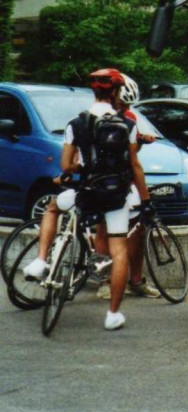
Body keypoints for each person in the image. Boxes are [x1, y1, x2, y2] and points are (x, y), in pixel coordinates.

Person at [23, 68, 151, 331]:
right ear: (115, 93)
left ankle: (41, 260)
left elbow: (66, 164)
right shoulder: (127, 125)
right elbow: (135, 166)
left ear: (94, 91)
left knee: (52, 208)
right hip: (116, 197)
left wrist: (81, 169)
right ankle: (113, 315)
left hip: (85, 195)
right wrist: (146, 199)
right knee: (119, 251)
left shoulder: (76, 124)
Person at [93, 74, 161, 301]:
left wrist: (140, 141)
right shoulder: (98, 116)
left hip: (125, 180)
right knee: (103, 229)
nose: (126, 108)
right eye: (123, 104)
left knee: (137, 230)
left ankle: (136, 281)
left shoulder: (130, 117)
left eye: (129, 105)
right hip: (103, 179)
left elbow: (132, 155)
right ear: (113, 97)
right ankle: (104, 280)